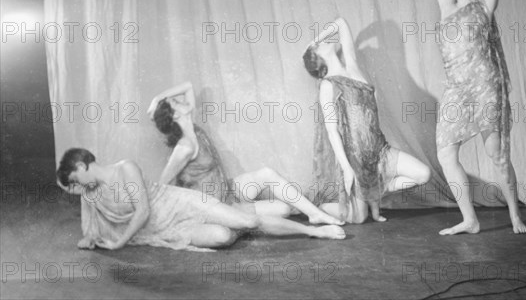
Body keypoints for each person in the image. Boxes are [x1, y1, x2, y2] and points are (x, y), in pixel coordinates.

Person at [428, 0, 526, 235]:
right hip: (457, 89)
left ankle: (515, 213)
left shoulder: (485, 4)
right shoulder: (446, 6)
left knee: (497, 153)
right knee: (445, 153)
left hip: (485, 86)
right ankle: (470, 219)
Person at [56, 148, 346, 252]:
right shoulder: (90, 193)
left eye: (73, 180)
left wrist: (119, 243)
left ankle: (314, 229)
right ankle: (230, 219)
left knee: (248, 219)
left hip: (180, 203)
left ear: (81, 167)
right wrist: (89, 235)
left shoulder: (125, 167)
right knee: (223, 237)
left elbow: (142, 210)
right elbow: (89, 232)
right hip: (166, 229)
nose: (75, 187)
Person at [147, 82, 343, 225]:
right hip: (217, 204)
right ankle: (239, 220)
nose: (182, 99)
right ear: (175, 115)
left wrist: (158, 99)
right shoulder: (185, 147)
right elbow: (162, 185)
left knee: (267, 174)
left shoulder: (194, 128)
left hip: (227, 189)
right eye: (176, 102)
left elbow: (188, 86)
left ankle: (315, 214)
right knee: (282, 209)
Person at [303, 17, 431, 223]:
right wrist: (346, 167)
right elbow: (332, 130)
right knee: (358, 218)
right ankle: (316, 210)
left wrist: (314, 41)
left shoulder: (352, 66)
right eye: (320, 46)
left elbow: (342, 23)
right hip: (357, 160)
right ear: (317, 58)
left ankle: (376, 191)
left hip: (380, 151)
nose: (326, 41)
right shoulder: (327, 85)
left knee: (423, 174)